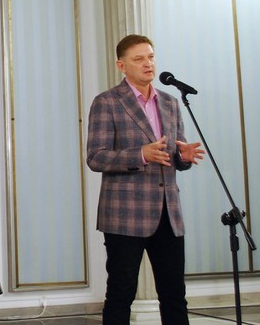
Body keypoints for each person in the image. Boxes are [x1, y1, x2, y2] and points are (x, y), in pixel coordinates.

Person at [86, 34, 205, 325]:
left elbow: (174, 155)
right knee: (121, 293)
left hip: (168, 213)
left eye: (150, 57)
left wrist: (183, 157)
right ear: (121, 65)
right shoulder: (107, 102)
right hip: (125, 215)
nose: (148, 63)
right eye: (139, 59)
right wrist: (140, 154)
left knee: (174, 294)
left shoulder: (170, 102)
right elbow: (96, 157)